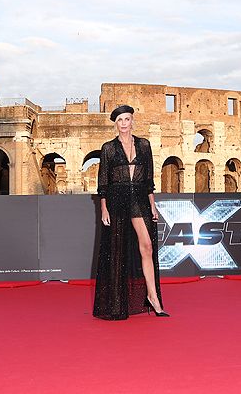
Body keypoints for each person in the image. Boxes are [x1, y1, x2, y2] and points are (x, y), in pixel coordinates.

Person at [93, 104, 169, 320]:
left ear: (132, 121)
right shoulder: (108, 148)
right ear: (116, 124)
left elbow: (148, 180)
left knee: (147, 246)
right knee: (117, 251)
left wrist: (152, 205)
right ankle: (117, 302)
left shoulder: (144, 145)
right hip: (116, 201)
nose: (124, 124)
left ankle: (153, 297)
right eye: (120, 120)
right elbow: (103, 182)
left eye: (127, 119)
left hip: (139, 200)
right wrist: (103, 208)